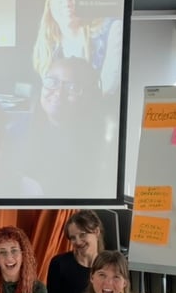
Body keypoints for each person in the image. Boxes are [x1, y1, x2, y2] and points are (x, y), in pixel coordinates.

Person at [24, 56, 115, 195]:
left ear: (90, 96)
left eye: (73, 87)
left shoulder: (96, 149)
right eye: (52, 82)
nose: (59, 92)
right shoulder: (21, 131)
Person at [32, 0, 123, 96]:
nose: (67, 4)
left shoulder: (112, 29)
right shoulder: (48, 44)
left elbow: (107, 88)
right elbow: (50, 91)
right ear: (50, 8)